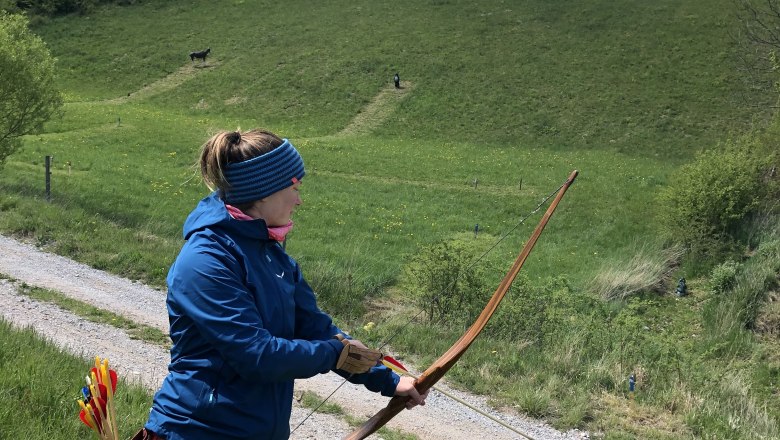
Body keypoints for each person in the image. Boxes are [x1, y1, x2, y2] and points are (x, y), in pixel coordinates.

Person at [139, 129, 427, 440]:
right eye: (294, 188)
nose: (299, 200)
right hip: (195, 431)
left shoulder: (271, 253)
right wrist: (333, 353)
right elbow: (256, 355)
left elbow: (315, 327)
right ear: (264, 191)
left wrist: (389, 381)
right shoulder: (205, 260)